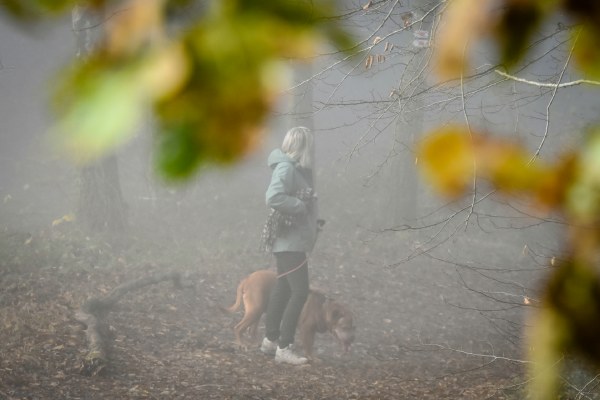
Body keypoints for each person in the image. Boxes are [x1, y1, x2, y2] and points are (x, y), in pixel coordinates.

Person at [259, 126, 319, 365]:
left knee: (283, 289)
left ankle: (270, 341)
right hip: (289, 243)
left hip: (290, 242)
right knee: (300, 291)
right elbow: (273, 197)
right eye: (310, 145)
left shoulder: (294, 169)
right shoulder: (286, 167)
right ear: (303, 146)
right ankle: (284, 347)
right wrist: (300, 206)